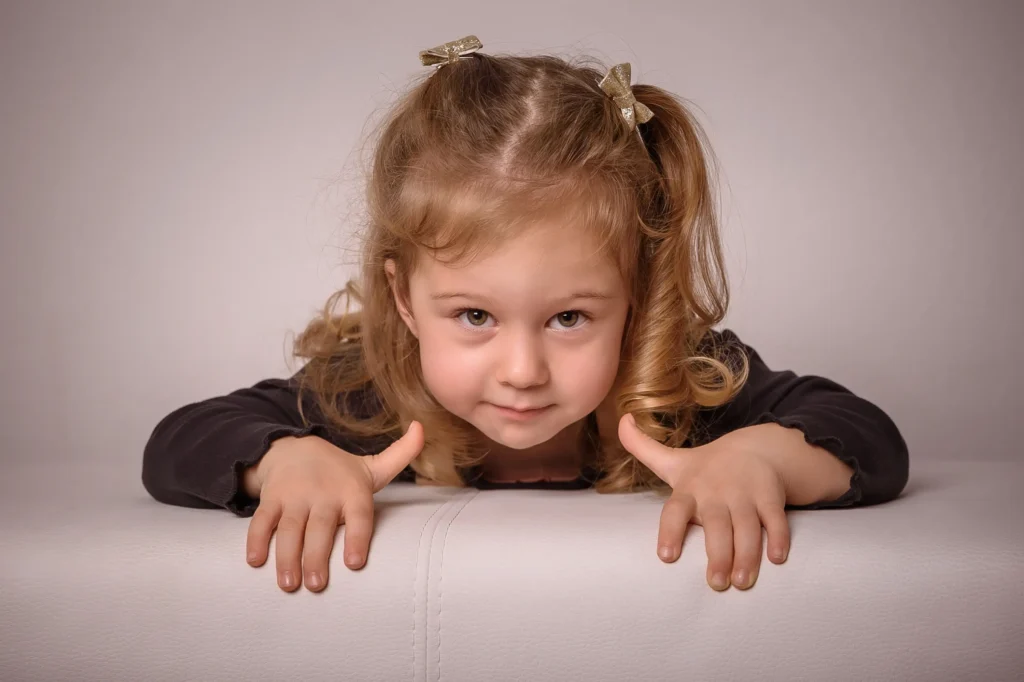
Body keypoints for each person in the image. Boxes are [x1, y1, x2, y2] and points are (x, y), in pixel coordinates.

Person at [141, 35, 909, 596]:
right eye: (474, 315)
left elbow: (869, 435)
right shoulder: (367, 393)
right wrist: (285, 459)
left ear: (636, 301)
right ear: (405, 299)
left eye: (570, 318)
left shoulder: (681, 382)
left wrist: (762, 457)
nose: (522, 370)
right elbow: (177, 440)